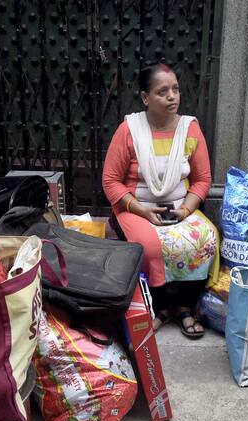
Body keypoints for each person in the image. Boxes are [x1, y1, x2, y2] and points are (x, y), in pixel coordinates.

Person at [102, 63, 219, 339]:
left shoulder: (189, 129)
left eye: (175, 90)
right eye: (162, 91)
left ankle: (185, 306)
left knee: (207, 238)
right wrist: (140, 209)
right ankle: (160, 307)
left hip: (180, 206)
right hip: (135, 206)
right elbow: (110, 181)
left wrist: (186, 209)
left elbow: (203, 179)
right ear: (145, 98)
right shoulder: (129, 130)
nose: (172, 97)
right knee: (152, 247)